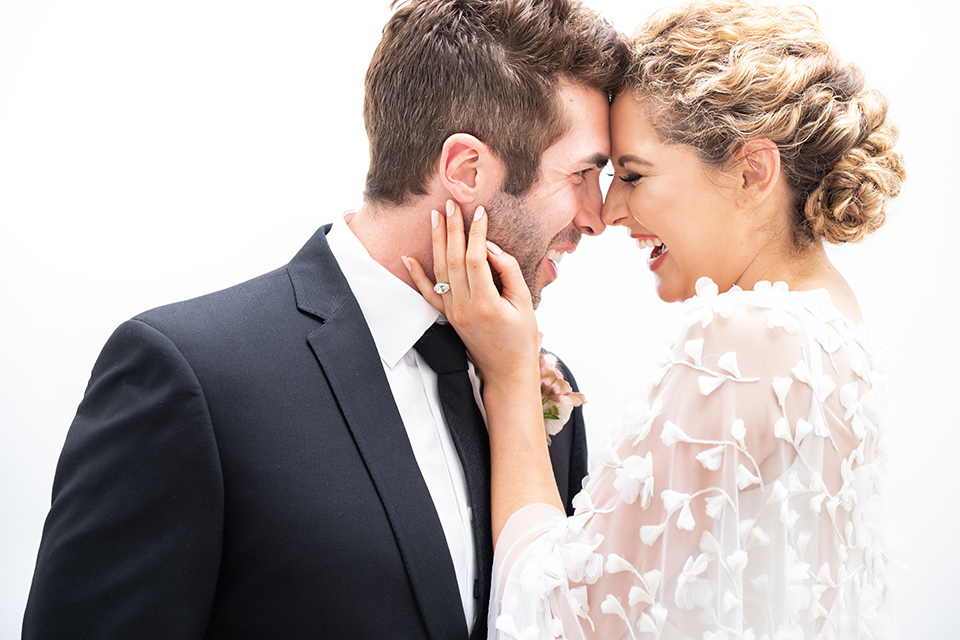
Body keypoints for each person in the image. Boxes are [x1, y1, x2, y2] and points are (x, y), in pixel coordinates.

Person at [21, 1, 628, 638]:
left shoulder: (541, 391)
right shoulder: (191, 376)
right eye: (583, 173)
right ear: (466, 171)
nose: (597, 215)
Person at [406, 1, 905, 638]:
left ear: (752, 171)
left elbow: (553, 620)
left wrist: (507, 379)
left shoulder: (748, 339)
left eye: (633, 175)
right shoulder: (834, 321)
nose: (609, 209)